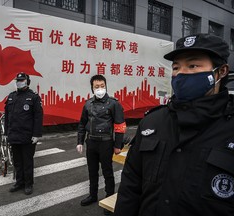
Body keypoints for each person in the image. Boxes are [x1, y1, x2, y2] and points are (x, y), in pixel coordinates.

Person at [114, 33, 234, 216]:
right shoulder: (151, 122)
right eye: (176, 67)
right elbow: (130, 188)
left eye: (192, 66)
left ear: (221, 72)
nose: (180, 74)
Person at [77, 74, 126, 215]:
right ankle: (92, 196)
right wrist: (80, 141)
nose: (100, 89)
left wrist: (117, 145)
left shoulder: (113, 103)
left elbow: (120, 126)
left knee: (107, 172)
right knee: (92, 171)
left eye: (102, 86)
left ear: (106, 86)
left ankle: (109, 199)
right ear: (92, 88)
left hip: (106, 143)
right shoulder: (88, 104)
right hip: (91, 142)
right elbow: (82, 124)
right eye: (96, 87)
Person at [4, 72, 43, 195]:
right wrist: (6, 133)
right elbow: (7, 117)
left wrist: (36, 135)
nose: (19, 82)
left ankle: (28, 184)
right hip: (14, 135)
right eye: (18, 80)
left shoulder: (33, 97)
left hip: (27, 136)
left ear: (27, 82)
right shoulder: (11, 96)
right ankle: (19, 182)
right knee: (17, 161)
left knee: (27, 162)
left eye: (22, 80)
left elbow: (38, 117)